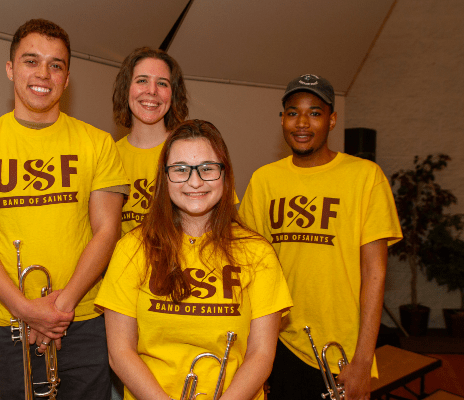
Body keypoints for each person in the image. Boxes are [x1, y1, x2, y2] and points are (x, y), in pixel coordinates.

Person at [0, 19, 129, 400]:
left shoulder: (99, 144)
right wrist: (26, 308)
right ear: (10, 69)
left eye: (56, 65)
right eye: (31, 61)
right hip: (7, 320)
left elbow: (107, 231)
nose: (43, 74)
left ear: (67, 78)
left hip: (84, 319)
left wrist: (59, 309)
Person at [95, 119, 292, 400]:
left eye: (207, 169)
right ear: (165, 177)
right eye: (181, 170)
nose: (195, 181)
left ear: (225, 175)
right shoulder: (131, 248)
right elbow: (120, 353)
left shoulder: (258, 253)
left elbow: (261, 355)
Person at [239, 74, 403, 400]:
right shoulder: (263, 180)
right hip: (277, 342)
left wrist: (363, 359)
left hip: (341, 349)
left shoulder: (365, 177)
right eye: (292, 112)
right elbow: (249, 270)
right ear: (282, 119)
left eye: (314, 112)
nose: (302, 122)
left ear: (332, 120)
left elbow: (375, 273)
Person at [112, 47, 188, 236]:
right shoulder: (108, 154)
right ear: (126, 88)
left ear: (173, 93)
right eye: (142, 81)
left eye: (162, 83)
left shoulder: (192, 152)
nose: (152, 91)